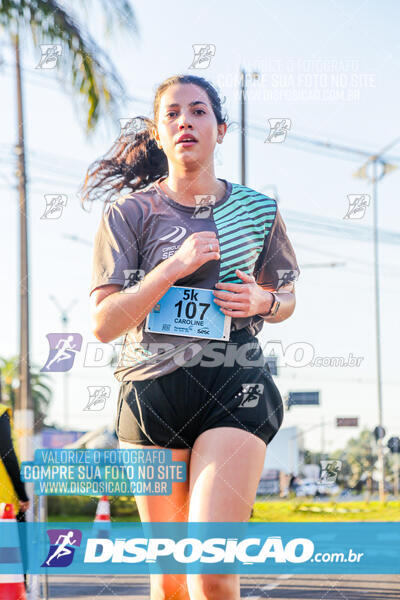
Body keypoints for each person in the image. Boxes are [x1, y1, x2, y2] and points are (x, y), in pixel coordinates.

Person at [84, 74, 300, 600]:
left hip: (235, 385)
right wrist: (171, 269)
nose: (186, 121)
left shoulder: (259, 210)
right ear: (159, 135)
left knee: (211, 573)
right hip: (150, 391)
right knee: (173, 581)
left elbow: (287, 296)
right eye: (173, 114)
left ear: (220, 130)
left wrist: (265, 302)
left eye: (199, 111)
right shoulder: (129, 213)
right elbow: (105, 322)